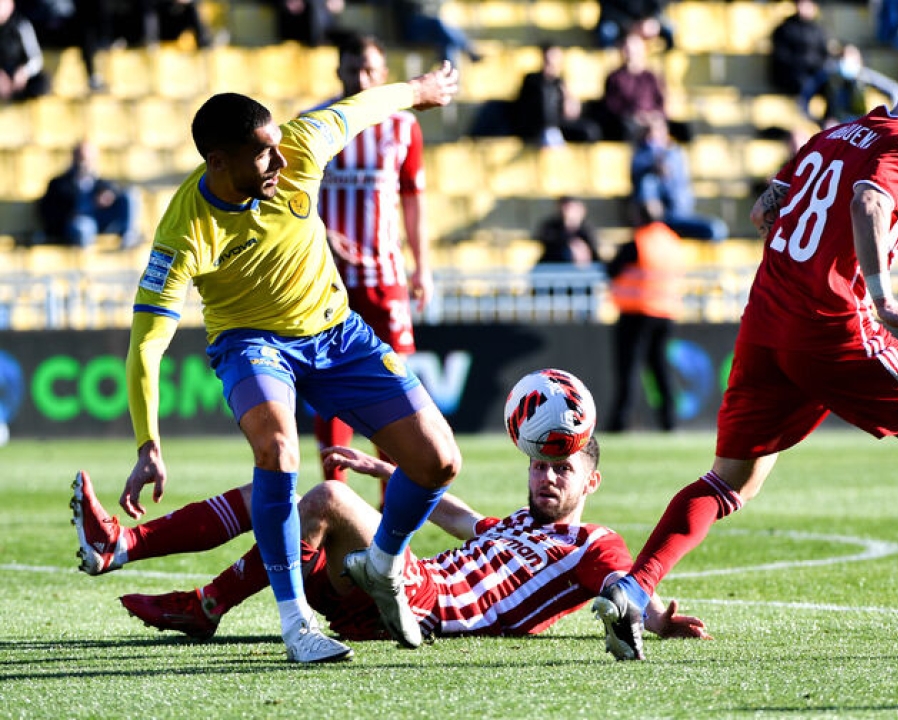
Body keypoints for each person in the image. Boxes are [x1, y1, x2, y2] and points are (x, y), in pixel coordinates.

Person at [592, 45, 898, 661]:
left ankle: (635, 591)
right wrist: (882, 298)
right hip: (831, 325)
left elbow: (763, 210)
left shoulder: (831, 136)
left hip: (768, 320)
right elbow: (868, 202)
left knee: (731, 481)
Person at [121, 63, 461, 664]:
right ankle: (296, 622)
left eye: (279, 148)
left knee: (438, 461)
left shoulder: (299, 147)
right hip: (252, 343)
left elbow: (360, 108)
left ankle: (381, 566)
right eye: (262, 156)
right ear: (217, 162)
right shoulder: (184, 233)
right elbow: (146, 344)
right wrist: (148, 442)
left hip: (337, 333)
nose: (280, 163)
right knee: (278, 450)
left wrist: (419, 92)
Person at [71, 440, 712, 645]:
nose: (546, 478)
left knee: (320, 500)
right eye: (539, 466)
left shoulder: (594, 542)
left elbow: (625, 590)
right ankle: (124, 543)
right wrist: (391, 475)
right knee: (270, 490)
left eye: (561, 470)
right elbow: (460, 521)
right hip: (390, 584)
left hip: (430, 607)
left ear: (590, 480)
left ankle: (205, 606)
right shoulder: (517, 525)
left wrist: (662, 619)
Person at [309, 34, 431, 503]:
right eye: (351, 69)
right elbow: (296, 193)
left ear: (382, 74)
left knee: (393, 387)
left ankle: (389, 498)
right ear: (338, 71)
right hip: (328, 279)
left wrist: (424, 266)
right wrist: (320, 234)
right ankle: (333, 497)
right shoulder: (318, 122)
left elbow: (413, 199)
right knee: (328, 384)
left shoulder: (403, 126)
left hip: (385, 276)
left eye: (368, 70)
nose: (359, 79)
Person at [606, 201, 681, 433]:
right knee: (660, 369)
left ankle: (620, 421)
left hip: (636, 313)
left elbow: (611, 270)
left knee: (628, 370)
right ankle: (669, 420)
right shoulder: (672, 241)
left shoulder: (638, 243)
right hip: (665, 313)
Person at [630, 113, 727, 242]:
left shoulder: (675, 153)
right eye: (649, 131)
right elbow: (643, 189)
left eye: (657, 130)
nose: (653, 136)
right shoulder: (642, 157)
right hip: (662, 218)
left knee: (717, 230)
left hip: (681, 214)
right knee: (648, 181)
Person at [37, 140, 141, 249]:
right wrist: (70, 214)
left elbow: (115, 191)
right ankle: (86, 259)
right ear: (74, 157)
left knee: (130, 195)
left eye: (88, 158)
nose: (85, 162)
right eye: (81, 157)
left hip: (101, 220)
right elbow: (47, 210)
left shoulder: (101, 183)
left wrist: (108, 196)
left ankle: (128, 236)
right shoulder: (59, 183)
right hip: (77, 223)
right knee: (83, 227)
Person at [599, 32, 688, 143]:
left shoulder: (651, 76)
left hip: (651, 119)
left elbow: (661, 101)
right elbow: (612, 106)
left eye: (635, 50)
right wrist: (636, 115)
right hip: (628, 121)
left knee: (683, 129)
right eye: (628, 50)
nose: (631, 54)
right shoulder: (614, 77)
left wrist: (654, 116)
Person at [512, 42, 601, 148]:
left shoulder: (560, 83)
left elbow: (571, 112)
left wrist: (568, 99)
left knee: (590, 130)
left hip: (558, 124)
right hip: (538, 127)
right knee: (550, 136)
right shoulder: (533, 80)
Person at [803, 43, 898, 127]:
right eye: (843, 57)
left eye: (851, 58)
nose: (846, 61)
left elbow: (895, 90)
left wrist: (892, 116)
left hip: (859, 123)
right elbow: (805, 95)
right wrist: (819, 121)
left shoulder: (865, 76)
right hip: (835, 124)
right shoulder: (829, 75)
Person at [769, 0, 830, 97]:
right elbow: (782, 56)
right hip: (792, 74)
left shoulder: (818, 30)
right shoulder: (785, 28)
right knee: (805, 84)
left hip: (813, 72)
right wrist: (804, 64)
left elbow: (824, 54)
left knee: (831, 85)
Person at [394, 0, 480, 65]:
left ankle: (450, 81)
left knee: (446, 42)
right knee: (438, 23)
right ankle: (467, 47)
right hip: (410, 31)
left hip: (431, 33)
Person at [0, 0, 50, 102]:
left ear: (11, 4)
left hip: (18, 75)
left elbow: (36, 58)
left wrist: (24, 72)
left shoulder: (21, 25)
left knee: (42, 83)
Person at [534, 196, 599, 268]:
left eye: (571, 208)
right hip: (553, 267)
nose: (567, 212)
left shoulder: (587, 229)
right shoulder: (551, 226)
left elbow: (593, 252)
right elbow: (546, 242)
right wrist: (570, 242)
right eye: (566, 208)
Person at [594, 0, 674, 51]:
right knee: (607, 32)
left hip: (643, 22)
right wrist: (629, 25)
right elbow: (607, 9)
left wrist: (651, 21)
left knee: (670, 28)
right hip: (619, 24)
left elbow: (657, 6)